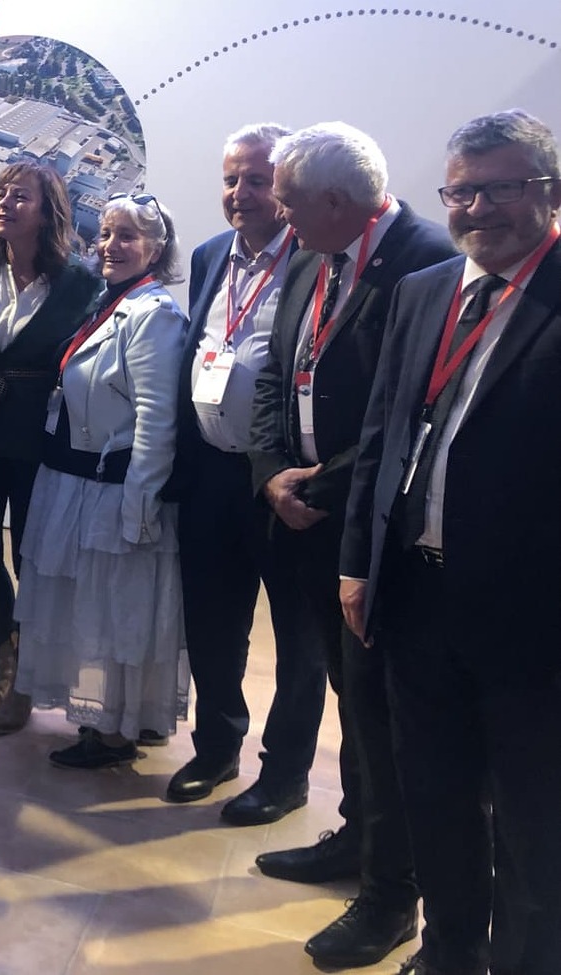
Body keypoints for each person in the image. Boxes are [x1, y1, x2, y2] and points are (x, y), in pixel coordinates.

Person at [341, 108, 561, 975]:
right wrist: (358, 564)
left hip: (532, 619)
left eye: (501, 188)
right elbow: (384, 438)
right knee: (433, 796)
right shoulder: (423, 290)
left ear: (548, 190)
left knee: (536, 822)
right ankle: (450, 951)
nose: (478, 209)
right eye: (461, 192)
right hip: (415, 599)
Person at [248, 122, 454, 971]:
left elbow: (407, 415)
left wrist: (316, 485)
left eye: (288, 199)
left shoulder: (426, 260)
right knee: (350, 700)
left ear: (335, 202)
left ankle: (388, 897)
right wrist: (270, 470)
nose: (276, 213)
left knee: (382, 714)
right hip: (302, 513)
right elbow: (273, 372)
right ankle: (358, 842)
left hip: (373, 530)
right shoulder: (311, 250)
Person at [166, 124, 316, 809]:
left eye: (258, 179)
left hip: (281, 481)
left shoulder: (315, 260)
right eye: (232, 179)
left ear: (287, 188)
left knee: (297, 638)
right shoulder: (207, 257)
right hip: (210, 476)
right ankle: (216, 749)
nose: (241, 193)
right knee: (213, 624)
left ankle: (283, 776)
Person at [13, 193, 188, 770]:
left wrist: (138, 510)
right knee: (86, 609)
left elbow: (156, 421)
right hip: (75, 483)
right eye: (107, 234)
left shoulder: (154, 314)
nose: (111, 246)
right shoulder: (109, 303)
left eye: (128, 236)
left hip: (113, 496)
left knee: (111, 615)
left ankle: (112, 731)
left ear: (156, 250)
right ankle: (102, 719)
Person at [0, 161, 101, 737]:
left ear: (49, 211)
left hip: (38, 438)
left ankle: (28, 677)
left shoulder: (80, 282)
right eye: (0, 195)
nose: (5, 204)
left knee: (30, 557)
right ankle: (4, 652)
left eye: (21, 197)